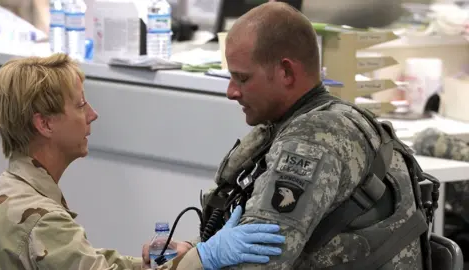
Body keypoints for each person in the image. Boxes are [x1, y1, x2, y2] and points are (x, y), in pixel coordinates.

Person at [156, 2, 436, 269]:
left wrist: (194, 262)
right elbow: (246, 235)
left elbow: (254, 264)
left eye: (242, 78)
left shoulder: (313, 141)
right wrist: (195, 252)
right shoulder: (303, 123)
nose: (231, 91)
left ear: (287, 72)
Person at [0, 53, 286, 270]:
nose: (92, 115)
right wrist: (206, 257)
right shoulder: (40, 219)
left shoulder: (12, 192)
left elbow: (85, 262)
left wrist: (154, 264)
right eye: (80, 105)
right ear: (45, 124)